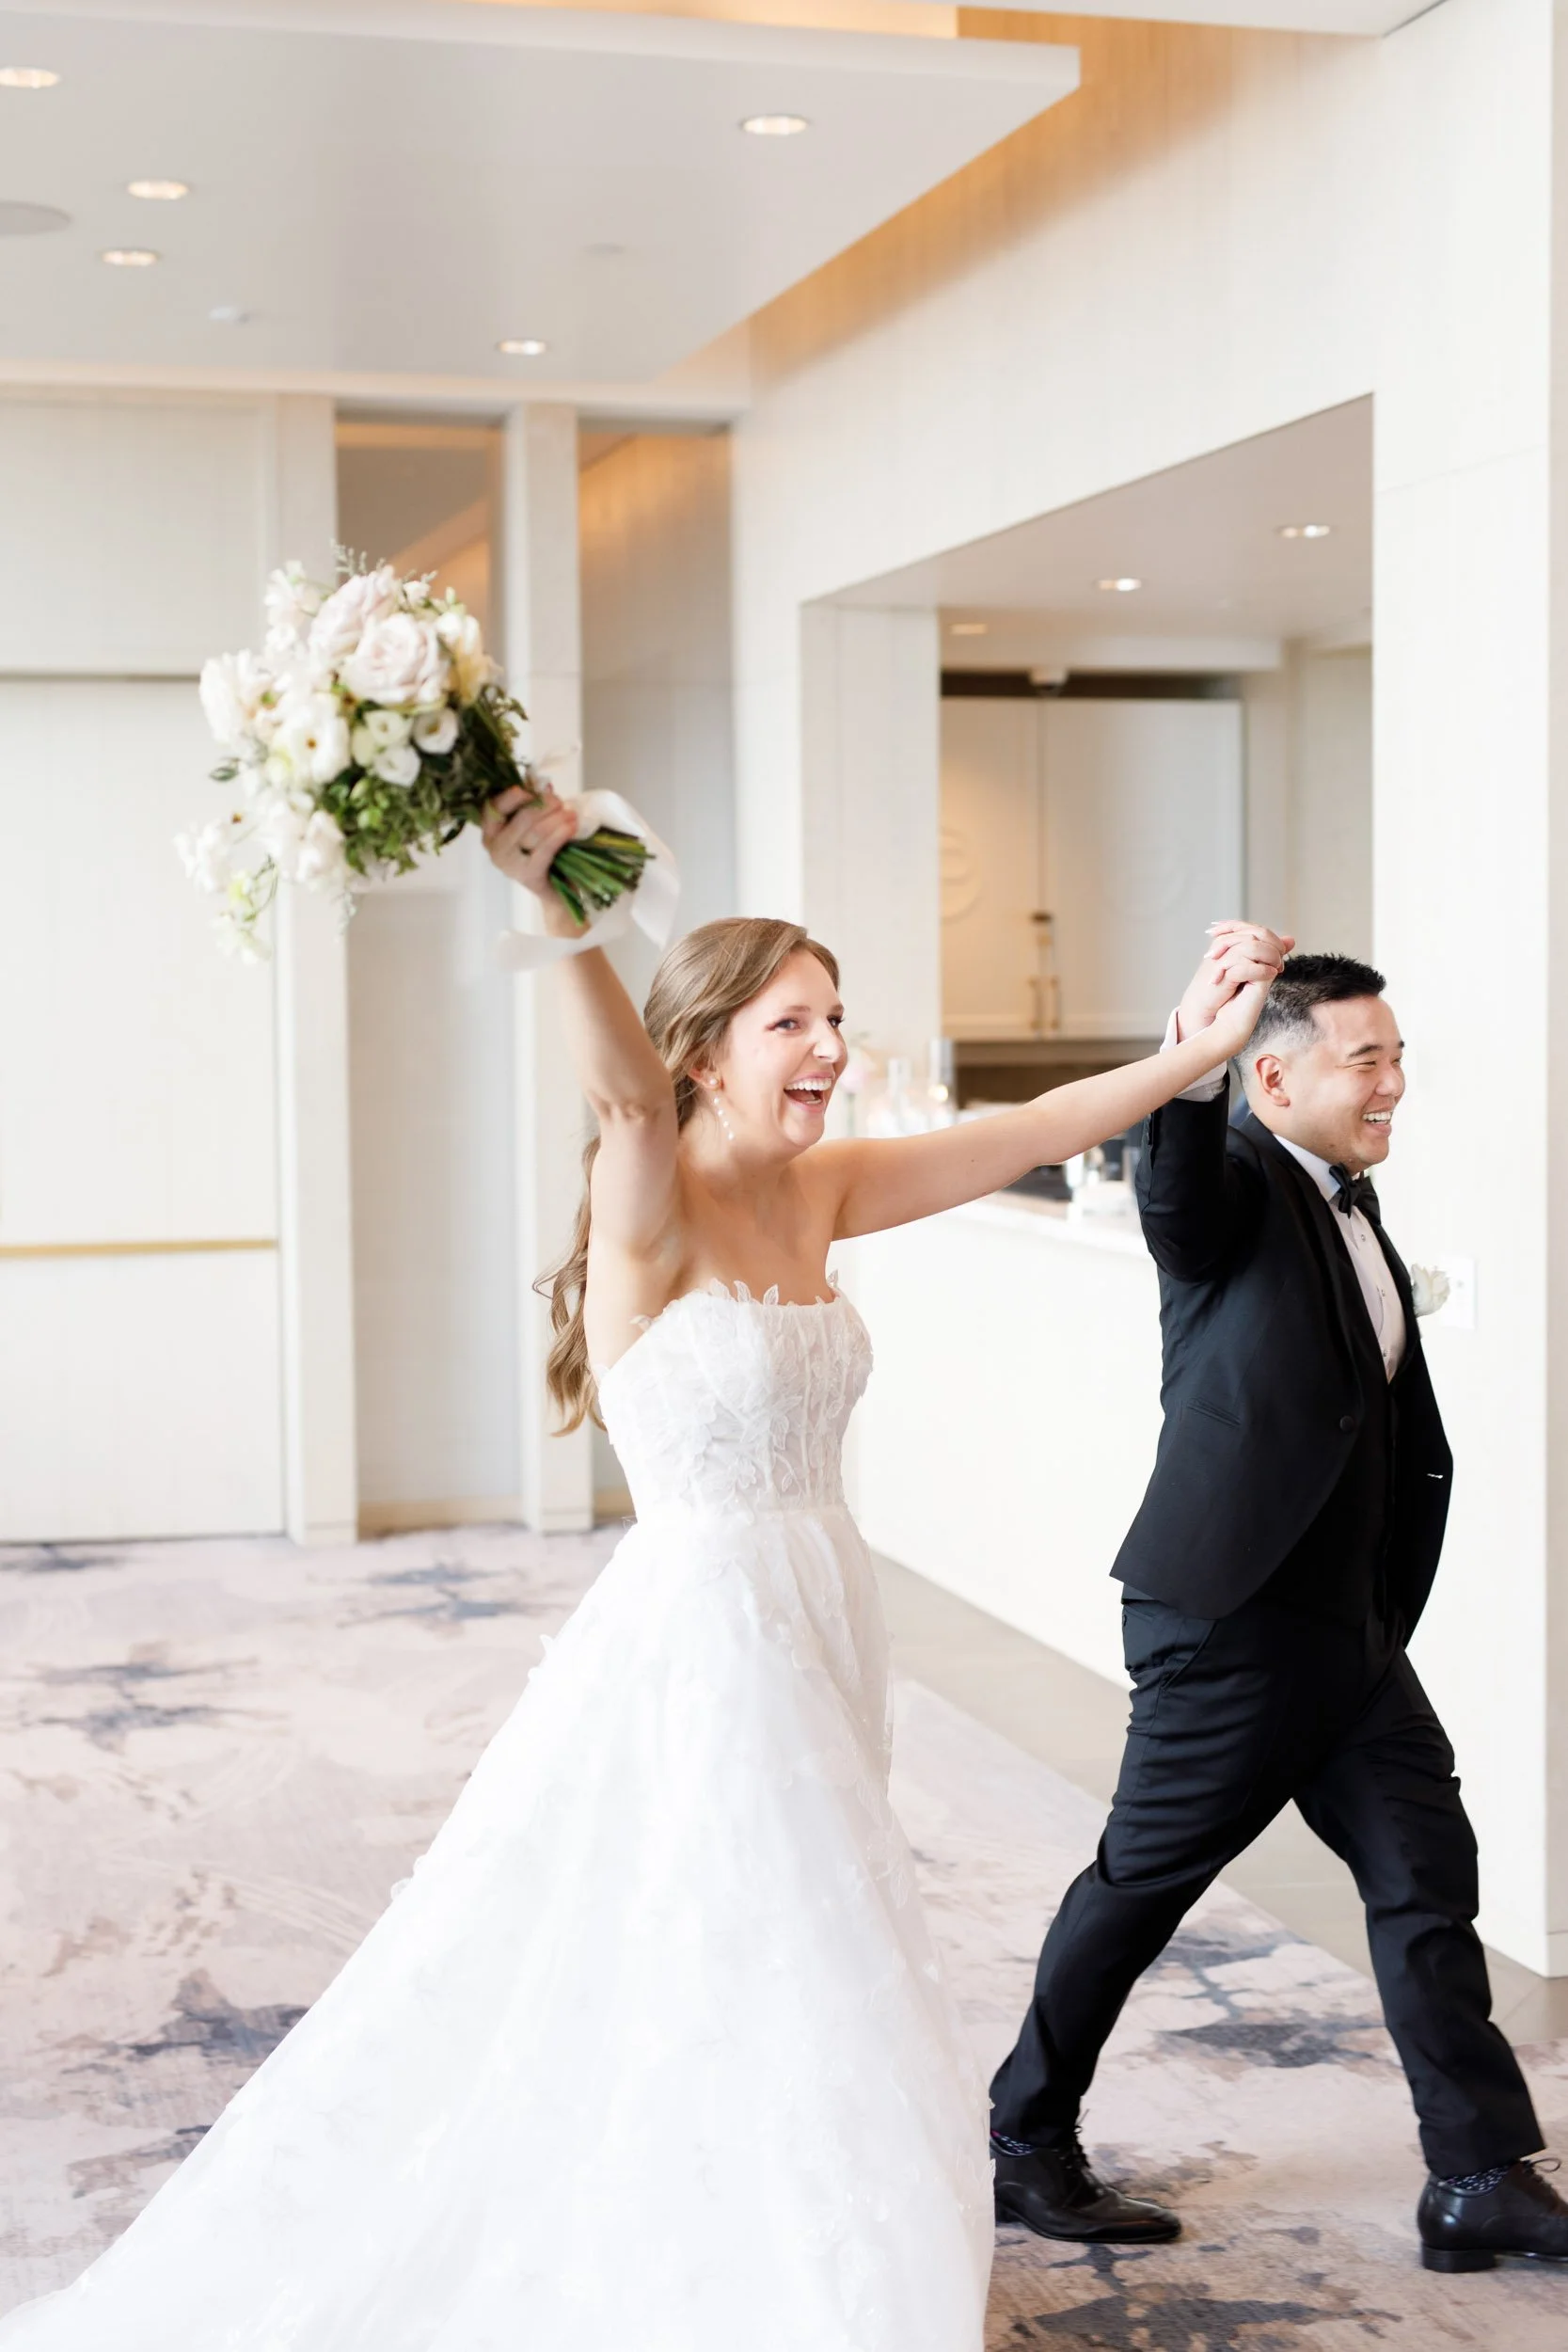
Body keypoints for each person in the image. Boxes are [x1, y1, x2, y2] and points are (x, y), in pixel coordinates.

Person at [0, 787, 1280, 2350]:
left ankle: (770, 2220)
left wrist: (1197, 1055)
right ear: (704, 1051)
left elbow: (1029, 1129)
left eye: (834, 1018)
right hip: (708, 1636)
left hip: (822, 1605)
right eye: (790, 1023)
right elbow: (613, 1098)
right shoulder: (650, 1192)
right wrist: (561, 911)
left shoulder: (825, 1189)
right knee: (773, 1932)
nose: (826, 1050)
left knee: (799, 1930)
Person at [990, 942, 1568, 2276]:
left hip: (1351, 1630)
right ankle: (1026, 2141)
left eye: (1396, 1056)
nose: (1393, 1085)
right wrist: (1185, 1069)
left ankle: (1477, 2174)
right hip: (1231, 1628)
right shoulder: (1236, 1178)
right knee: (1140, 1890)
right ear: (1271, 1075)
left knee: (1426, 1877)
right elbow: (1175, 1189)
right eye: (1366, 1060)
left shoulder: (1347, 1197)